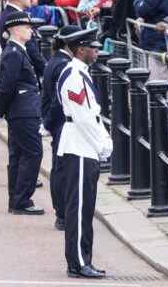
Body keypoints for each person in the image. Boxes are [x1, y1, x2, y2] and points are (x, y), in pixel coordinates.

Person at [57, 28, 110, 280]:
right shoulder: (74, 76)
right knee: (78, 209)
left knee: (85, 207)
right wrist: (102, 143)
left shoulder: (81, 73)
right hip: (79, 145)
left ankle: (83, 259)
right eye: (93, 48)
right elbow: (83, 117)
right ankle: (78, 262)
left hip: (84, 144)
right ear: (80, 50)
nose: (97, 52)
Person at [0, 11, 44, 216]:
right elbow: (7, 86)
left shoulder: (17, 50)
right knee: (32, 153)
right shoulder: (14, 53)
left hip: (22, 110)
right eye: (26, 27)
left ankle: (16, 199)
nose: (30, 30)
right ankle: (22, 199)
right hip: (23, 111)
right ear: (15, 30)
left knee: (18, 154)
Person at [42, 25, 80, 232]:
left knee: (61, 168)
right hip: (62, 124)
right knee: (63, 169)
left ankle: (63, 213)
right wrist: (48, 123)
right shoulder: (63, 65)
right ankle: (63, 214)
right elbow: (59, 100)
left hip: (57, 123)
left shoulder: (57, 60)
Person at [0, 0, 47, 78]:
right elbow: (30, 49)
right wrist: (46, 69)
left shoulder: (11, 14)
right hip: (23, 74)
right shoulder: (14, 17)